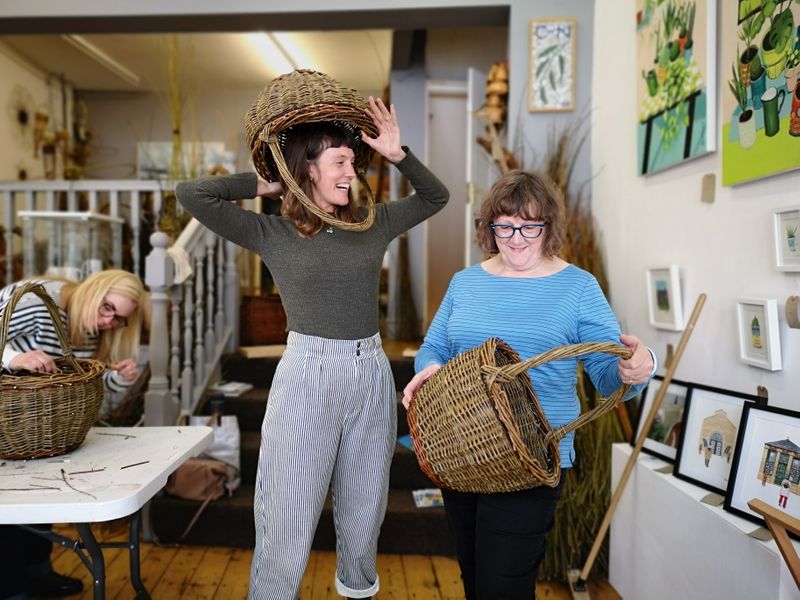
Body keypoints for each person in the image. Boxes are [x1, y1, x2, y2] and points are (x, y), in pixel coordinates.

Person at [176, 94, 449, 599]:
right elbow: (191, 193)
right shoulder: (270, 232)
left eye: (352, 161)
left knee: (365, 510)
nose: (351, 171)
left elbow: (436, 198)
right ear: (309, 168)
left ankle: (357, 590)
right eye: (340, 161)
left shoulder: (374, 224)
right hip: (306, 374)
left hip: (369, 373)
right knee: (287, 509)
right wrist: (265, 182)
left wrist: (398, 154)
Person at [402, 170, 655, 600]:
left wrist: (635, 370)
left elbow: (606, 371)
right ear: (489, 227)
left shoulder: (578, 287)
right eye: (504, 226)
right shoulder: (465, 282)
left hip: (532, 458)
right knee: (475, 576)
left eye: (529, 227)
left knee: (504, 587)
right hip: (463, 451)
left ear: (549, 228)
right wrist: (427, 369)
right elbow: (434, 347)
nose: (516, 238)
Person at [0, 269, 146, 600]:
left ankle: (37, 574)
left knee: (41, 496)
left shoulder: (88, 329)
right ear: (94, 289)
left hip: (35, 429)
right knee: (9, 505)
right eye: (108, 307)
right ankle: (11, 586)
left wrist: (119, 380)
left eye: (119, 318)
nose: (109, 321)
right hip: (7, 423)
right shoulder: (37, 304)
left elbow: (77, 387)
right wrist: (14, 358)